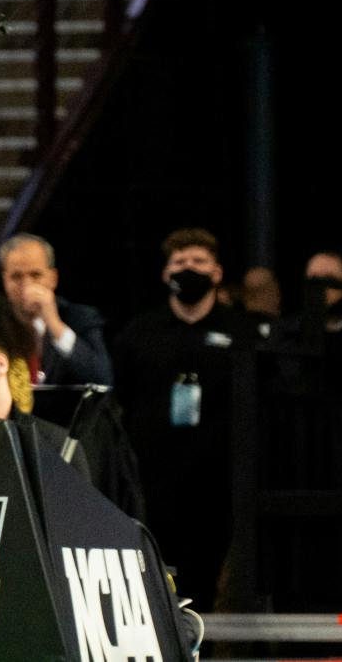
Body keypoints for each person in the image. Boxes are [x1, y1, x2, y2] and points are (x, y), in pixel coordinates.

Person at [112, 228, 258, 611]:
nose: (188, 269)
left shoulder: (241, 332)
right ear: (165, 274)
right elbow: (119, 400)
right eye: (180, 262)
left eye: (198, 262)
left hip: (218, 481)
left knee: (206, 583)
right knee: (153, 579)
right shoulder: (139, 332)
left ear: (217, 272)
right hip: (151, 480)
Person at [0, 233, 113, 387]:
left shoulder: (80, 318)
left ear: (53, 279)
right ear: (5, 280)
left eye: (35, 275)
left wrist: (55, 325)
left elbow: (102, 378)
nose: (26, 285)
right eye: (16, 276)